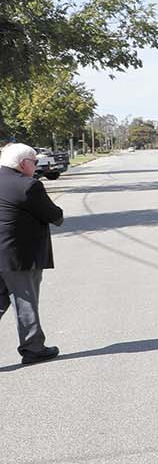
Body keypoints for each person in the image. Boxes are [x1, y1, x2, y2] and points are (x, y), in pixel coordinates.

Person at [0, 144, 64, 363]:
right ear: (23, 163)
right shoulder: (28, 186)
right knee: (25, 301)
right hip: (18, 256)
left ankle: (33, 346)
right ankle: (33, 348)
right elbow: (54, 215)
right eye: (34, 162)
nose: (36, 165)